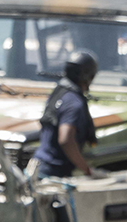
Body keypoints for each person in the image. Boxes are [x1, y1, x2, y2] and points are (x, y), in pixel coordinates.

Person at [31, 51, 102, 179]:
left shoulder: (59, 94)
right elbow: (66, 139)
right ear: (89, 76)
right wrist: (87, 170)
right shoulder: (74, 103)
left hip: (39, 167)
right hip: (54, 174)